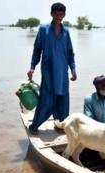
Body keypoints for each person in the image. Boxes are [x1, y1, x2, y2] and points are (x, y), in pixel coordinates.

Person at [27, 2, 77, 135]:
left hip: (62, 72)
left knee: (62, 99)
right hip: (48, 71)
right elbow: (37, 50)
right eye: (56, 14)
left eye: (61, 14)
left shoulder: (66, 32)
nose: (58, 17)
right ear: (51, 14)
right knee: (46, 99)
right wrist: (32, 67)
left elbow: (70, 52)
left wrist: (73, 69)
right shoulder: (44, 30)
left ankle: (60, 125)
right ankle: (35, 125)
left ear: (64, 15)